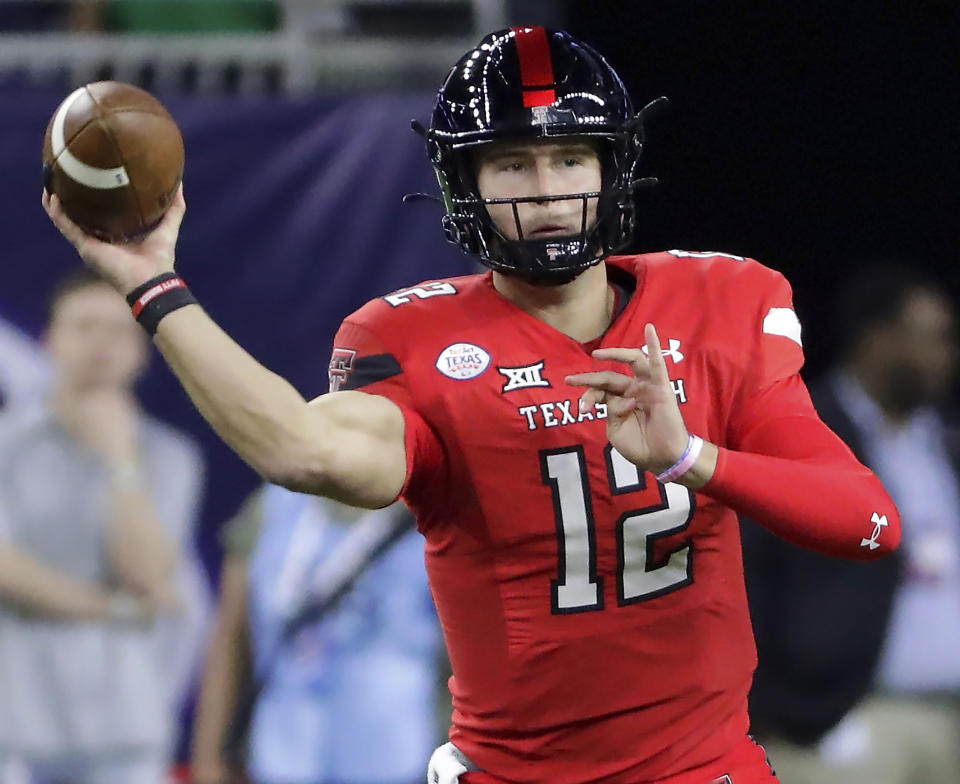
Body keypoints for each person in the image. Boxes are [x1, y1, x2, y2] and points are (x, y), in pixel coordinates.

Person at [43, 26, 901, 784]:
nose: (545, 188)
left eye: (570, 157)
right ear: (468, 184)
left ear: (612, 167)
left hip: (700, 768)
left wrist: (690, 460)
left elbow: (867, 522)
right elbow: (301, 449)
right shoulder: (412, 338)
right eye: (511, 163)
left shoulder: (721, 302)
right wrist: (154, 283)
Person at [742, 264, 960, 784]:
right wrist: (770, 705)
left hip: (950, 715)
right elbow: (747, 571)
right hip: (840, 723)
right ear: (878, 337)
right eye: (933, 337)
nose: (946, 355)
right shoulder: (802, 429)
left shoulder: (944, 443)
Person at [0, 269, 206, 784]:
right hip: (18, 721)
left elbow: (147, 576)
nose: (100, 345)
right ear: (48, 340)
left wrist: (120, 462)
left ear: (141, 353)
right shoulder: (6, 447)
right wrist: (113, 607)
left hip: (125, 723)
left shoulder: (170, 457)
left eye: (117, 332)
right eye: (84, 327)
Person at [190, 485, 442, 784]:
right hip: (279, 756)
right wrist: (208, 758)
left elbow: (473, 660)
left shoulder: (440, 512)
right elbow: (230, 639)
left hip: (395, 758)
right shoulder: (272, 505)